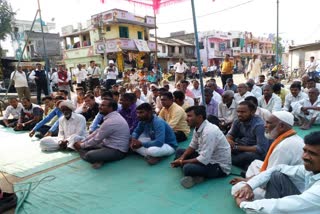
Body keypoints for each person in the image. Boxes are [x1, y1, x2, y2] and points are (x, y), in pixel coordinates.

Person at [234, 131, 320, 214]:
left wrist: (244, 204)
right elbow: (278, 168)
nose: (304, 157)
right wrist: (249, 185)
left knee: (240, 188)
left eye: (312, 153)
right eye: (305, 151)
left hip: (302, 203)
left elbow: (287, 205)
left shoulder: (285, 144)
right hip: (303, 199)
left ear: (281, 126)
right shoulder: (311, 170)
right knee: (275, 175)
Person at [230, 111, 304, 198]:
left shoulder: (283, 147)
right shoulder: (293, 138)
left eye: (268, 123)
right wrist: (250, 180)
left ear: (281, 126)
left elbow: (270, 177)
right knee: (255, 163)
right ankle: (250, 180)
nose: (265, 125)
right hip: (285, 179)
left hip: (289, 191)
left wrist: (248, 182)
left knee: (237, 188)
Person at [171, 106, 231, 188]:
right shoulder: (198, 127)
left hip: (218, 166)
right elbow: (193, 145)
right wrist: (182, 158)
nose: (186, 119)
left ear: (199, 117)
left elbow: (204, 159)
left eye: (189, 116)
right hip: (207, 159)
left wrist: (182, 162)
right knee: (179, 152)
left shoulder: (209, 131)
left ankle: (196, 175)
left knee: (187, 168)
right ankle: (197, 175)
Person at [74, 98, 130, 169]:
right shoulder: (112, 117)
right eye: (100, 105)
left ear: (111, 108)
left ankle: (99, 158)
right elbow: (97, 132)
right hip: (108, 145)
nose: (99, 107)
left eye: (103, 105)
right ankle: (101, 158)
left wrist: (81, 146)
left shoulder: (111, 121)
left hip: (118, 151)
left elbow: (96, 139)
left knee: (89, 155)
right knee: (84, 146)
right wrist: (83, 141)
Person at [226, 101, 270, 170]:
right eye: (238, 111)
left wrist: (236, 147)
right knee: (222, 150)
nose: (239, 114)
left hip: (255, 152)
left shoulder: (259, 125)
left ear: (252, 112)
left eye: (243, 112)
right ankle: (246, 165)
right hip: (240, 147)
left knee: (242, 157)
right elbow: (230, 134)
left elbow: (261, 149)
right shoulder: (238, 121)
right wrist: (229, 140)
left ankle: (244, 164)